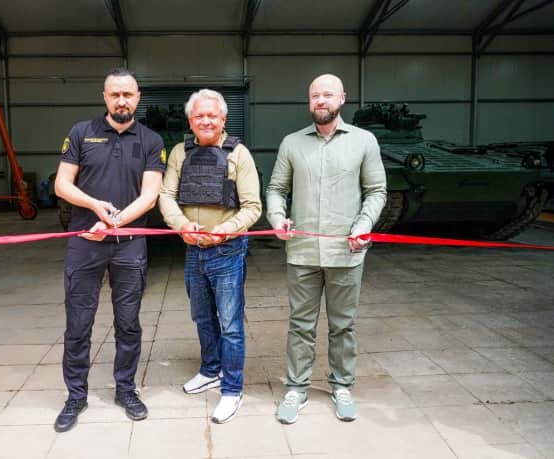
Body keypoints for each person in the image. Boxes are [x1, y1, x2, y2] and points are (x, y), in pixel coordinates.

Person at [266, 74, 387, 424]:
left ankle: (342, 386)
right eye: (315, 95)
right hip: (302, 252)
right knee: (300, 325)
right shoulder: (292, 143)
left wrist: (364, 224)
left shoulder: (364, 141)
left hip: (346, 253)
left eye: (328, 94)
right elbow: (276, 188)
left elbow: (377, 190)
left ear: (342, 98)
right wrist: (277, 217)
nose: (321, 100)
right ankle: (296, 388)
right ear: (309, 101)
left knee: (343, 325)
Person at [53, 68, 165, 432]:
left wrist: (114, 222)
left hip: (129, 245)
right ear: (104, 97)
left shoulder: (150, 140)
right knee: (78, 323)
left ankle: (126, 389)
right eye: (114, 94)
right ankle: (75, 396)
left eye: (127, 94)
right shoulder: (81, 132)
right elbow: (61, 185)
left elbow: (150, 196)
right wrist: (94, 206)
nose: (121, 100)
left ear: (138, 98)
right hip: (84, 243)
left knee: (128, 322)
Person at [158, 89, 262, 424]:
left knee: (230, 324)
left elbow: (253, 207)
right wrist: (181, 226)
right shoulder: (180, 152)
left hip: (227, 250)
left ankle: (232, 389)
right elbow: (166, 195)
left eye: (212, 115)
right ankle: (210, 370)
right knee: (202, 318)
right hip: (193, 250)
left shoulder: (239, 154)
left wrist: (225, 230)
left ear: (223, 119)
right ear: (190, 121)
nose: (205, 121)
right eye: (199, 116)